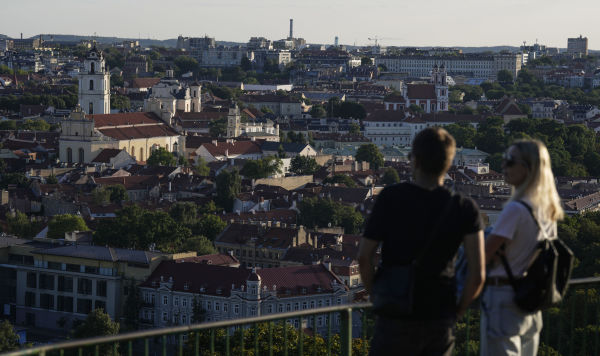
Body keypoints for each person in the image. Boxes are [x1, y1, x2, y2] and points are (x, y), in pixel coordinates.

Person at [358, 127, 486, 356]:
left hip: (395, 312)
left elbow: (364, 257)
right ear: (449, 163)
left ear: (414, 160)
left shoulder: (391, 197)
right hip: (438, 312)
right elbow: (477, 275)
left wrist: (376, 295)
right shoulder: (465, 208)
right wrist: (456, 312)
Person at [481, 139, 564, 356]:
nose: (503, 166)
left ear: (527, 168)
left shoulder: (515, 210)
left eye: (509, 161)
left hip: (503, 298)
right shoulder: (548, 211)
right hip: (530, 299)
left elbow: (482, 257)